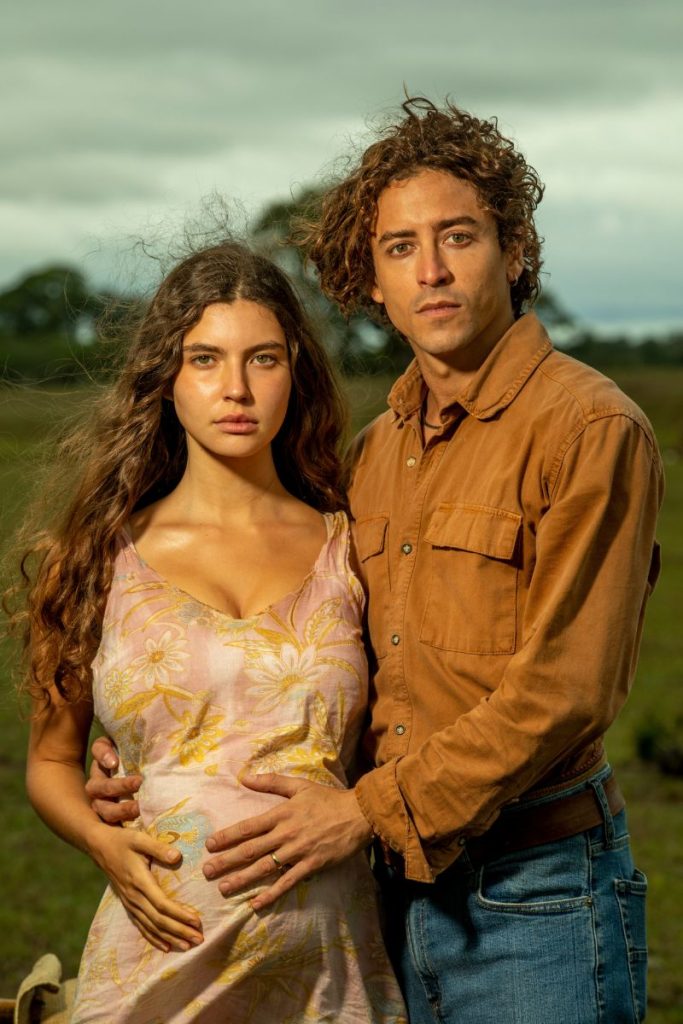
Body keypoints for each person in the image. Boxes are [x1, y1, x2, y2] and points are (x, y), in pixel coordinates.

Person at [90, 99, 663, 1024]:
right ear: (372, 279)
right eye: (399, 248)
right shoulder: (373, 453)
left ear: (514, 251)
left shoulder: (587, 428)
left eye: (457, 237)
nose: (430, 271)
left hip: (532, 895)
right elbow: (326, 670)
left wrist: (361, 812)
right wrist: (150, 762)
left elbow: (567, 690)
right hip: (380, 902)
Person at [13, 241, 407, 1023]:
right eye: (205, 360)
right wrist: (103, 840)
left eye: (262, 359)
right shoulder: (97, 556)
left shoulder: (351, 544)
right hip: (156, 961)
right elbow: (51, 764)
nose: (235, 388)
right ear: (167, 379)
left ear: (295, 373)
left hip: (330, 970)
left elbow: (401, 732)